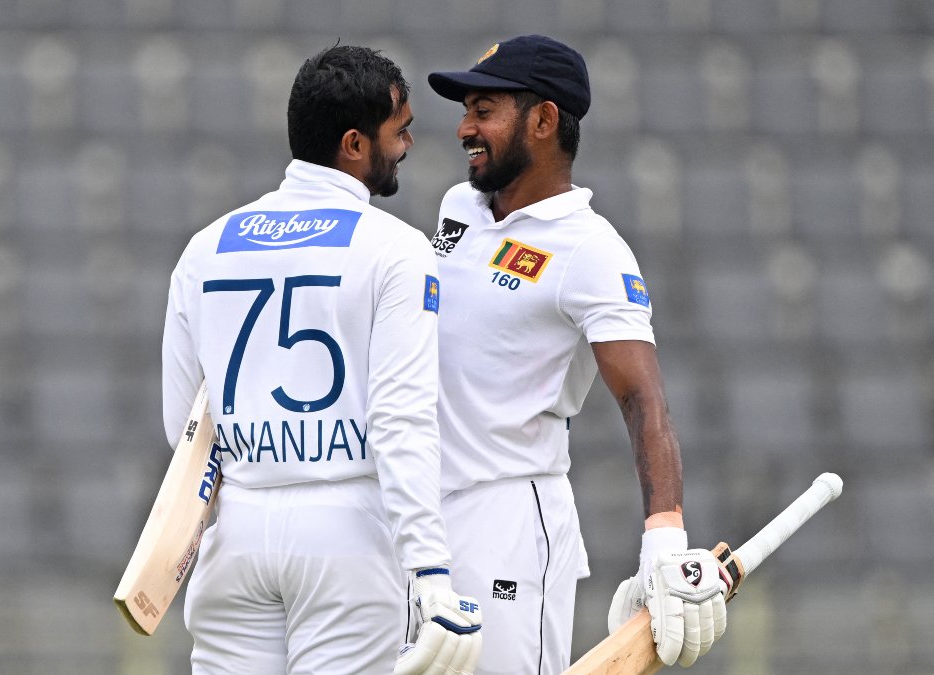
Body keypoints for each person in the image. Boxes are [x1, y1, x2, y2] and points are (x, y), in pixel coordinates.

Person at [162, 44, 481, 675]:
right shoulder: (396, 249)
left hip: (236, 536)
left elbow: (186, 430)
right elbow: (401, 421)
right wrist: (432, 573)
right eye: (402, 130)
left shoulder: (206, 248)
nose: (410, 144)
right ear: (355, 144)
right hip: (347, 536)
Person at [426, 35, 729, 673]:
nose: (464, 128)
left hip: (507, 522)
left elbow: (642, 397)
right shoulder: (458, 209)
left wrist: (664, 539)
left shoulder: (591, 251)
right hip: (420, 517)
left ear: (543, 120)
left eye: (484, 110)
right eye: (467, 110)